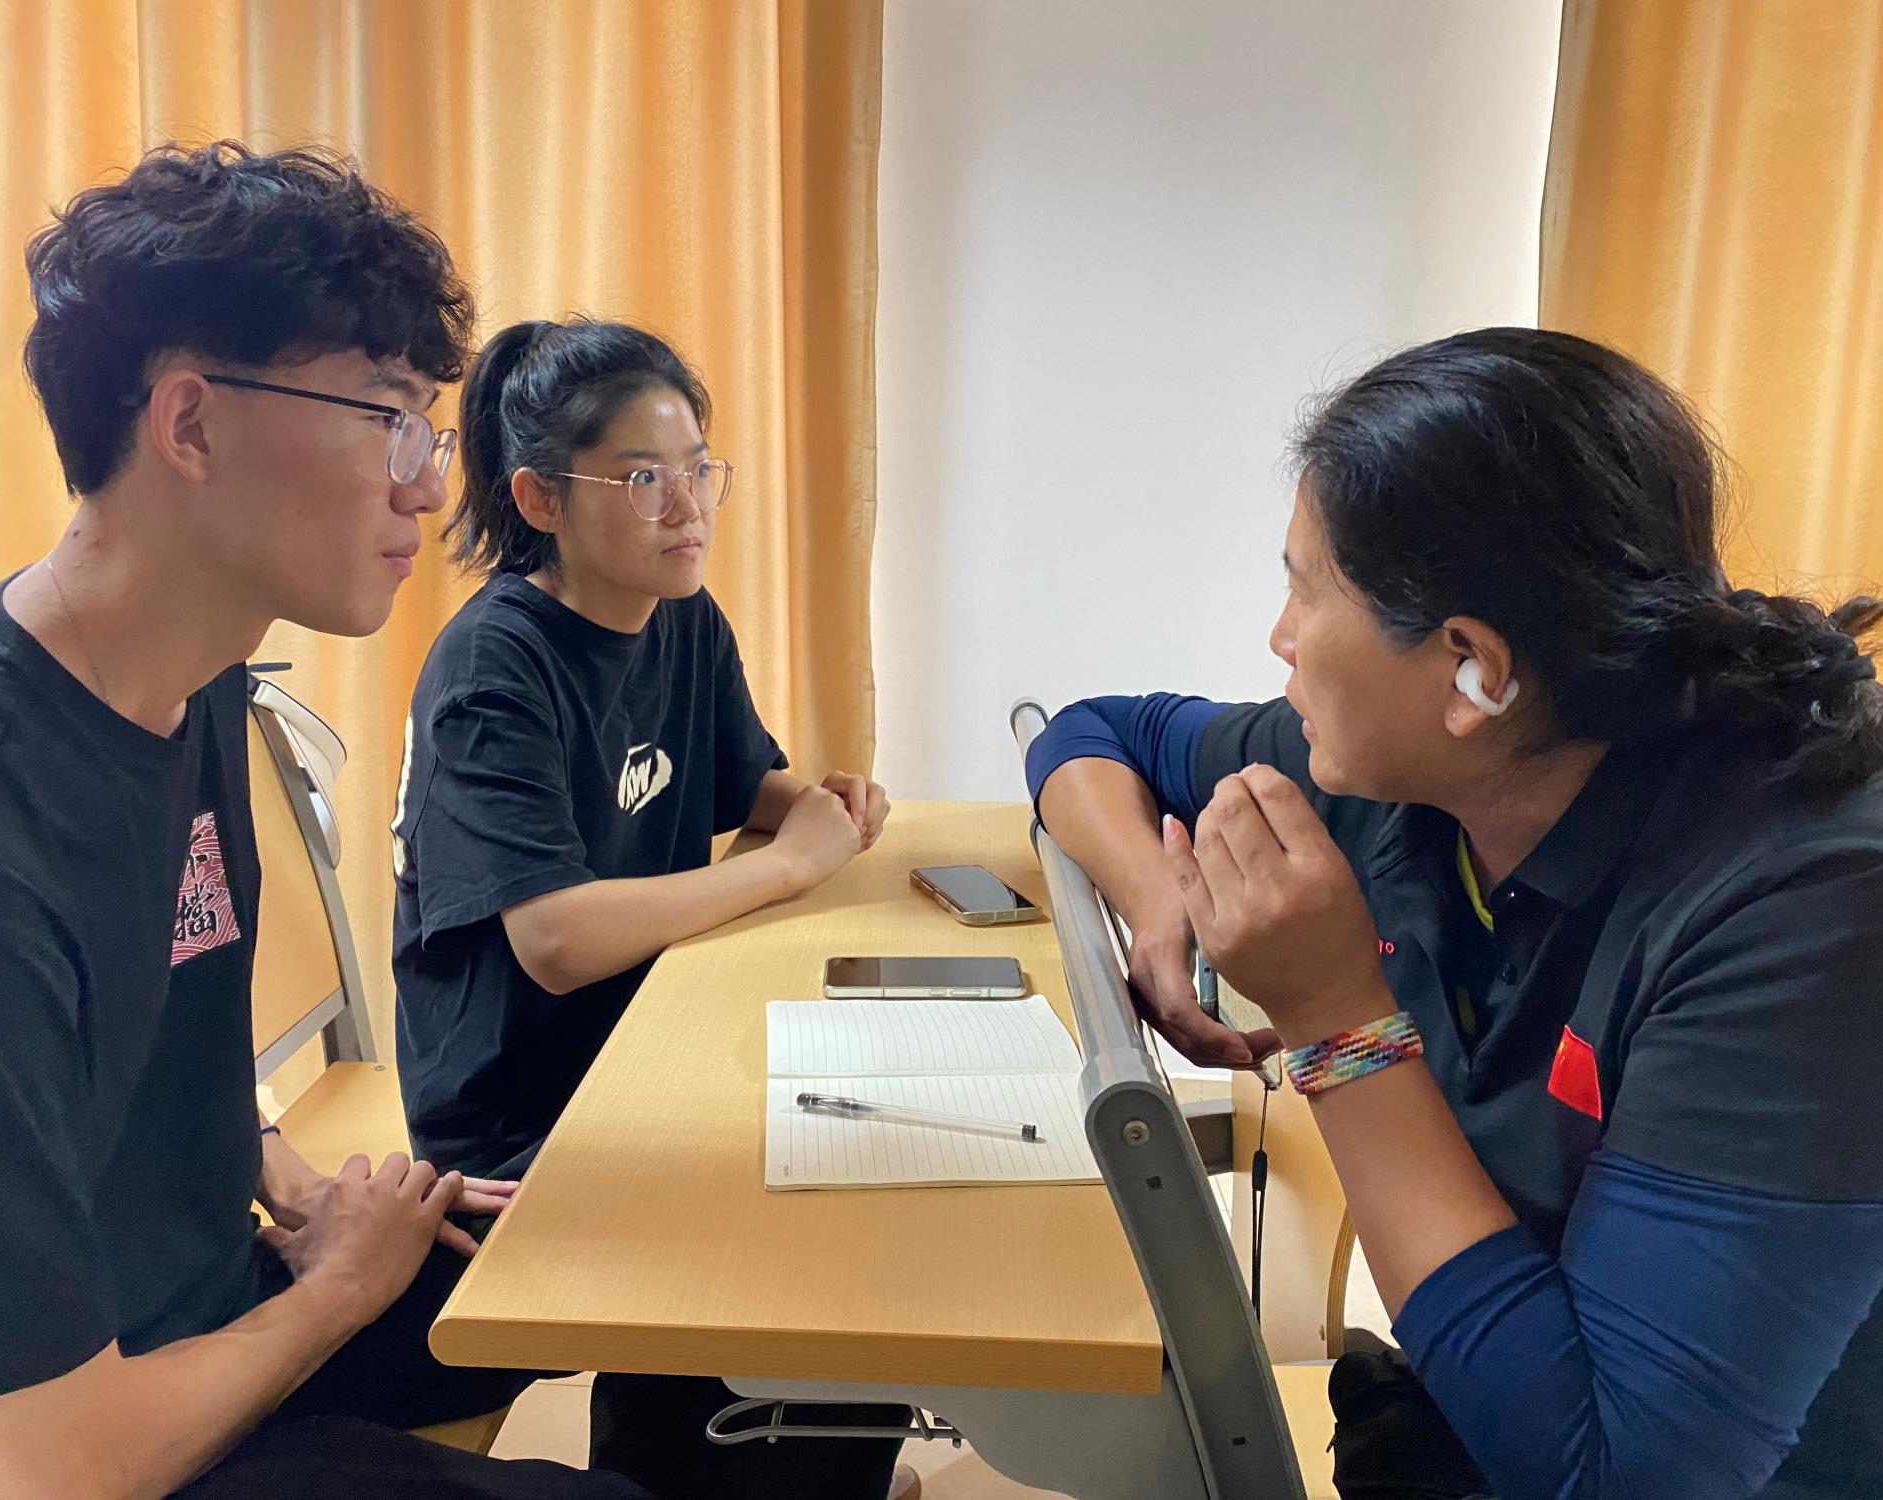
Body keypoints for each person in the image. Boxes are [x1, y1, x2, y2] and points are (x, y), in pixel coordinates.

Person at [0, 142, 651, 1500]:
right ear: (189, 426)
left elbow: (145, 1033)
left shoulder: (195, 676)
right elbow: (56, 1470)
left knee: (643, 1250)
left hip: (206, 1303)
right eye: (386, 418)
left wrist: (292, 1183)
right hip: (63, 1441)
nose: (428, 486)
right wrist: (341, 1289)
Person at [1028, 328, 1883, 1500]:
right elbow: (1092, 734)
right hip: (1485, 1411)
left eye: (1304, 589)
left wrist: (1333, 1021)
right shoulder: (1403, 775)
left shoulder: (1808, 907)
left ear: (1472, 669)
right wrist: (1155, 894)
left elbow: (1621, 1479)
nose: (1278, 639)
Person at [390, 317, 904, 1500]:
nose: (686, 507)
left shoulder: (680, 617)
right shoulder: (493, 668)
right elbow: (555, 939)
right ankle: (696, 1474)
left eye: (696, 468)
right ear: (540, 498)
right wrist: (787, 866)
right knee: (799, 1188)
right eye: (640, 478)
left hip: (646, 1039)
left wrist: (814, 802)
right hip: (517, 1119)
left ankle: (814, 1473)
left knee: (868, 1145)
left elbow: (744, 785)